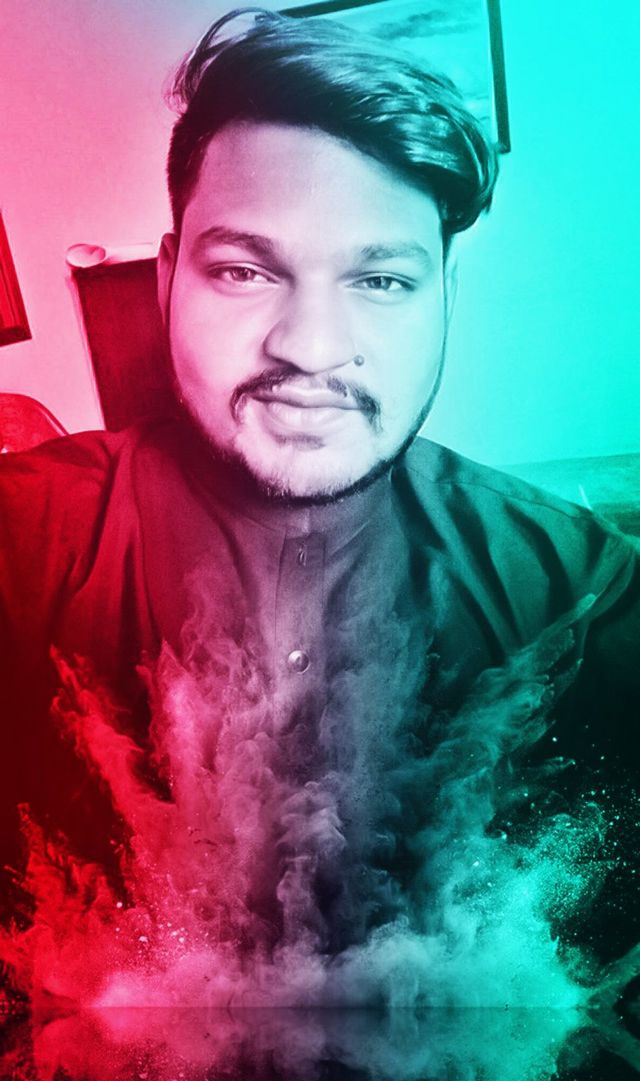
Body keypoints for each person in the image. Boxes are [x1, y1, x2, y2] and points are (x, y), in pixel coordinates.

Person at [0, 9, 637, 962]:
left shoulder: (579, 598)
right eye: (244, 271)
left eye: (380, 282)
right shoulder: (24, 542)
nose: (308, 346)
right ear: (168, 281)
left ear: (444, 298)